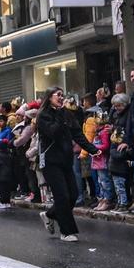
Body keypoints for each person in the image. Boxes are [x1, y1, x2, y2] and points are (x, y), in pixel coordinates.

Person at [34, 87, 99, 242]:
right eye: (58, 95)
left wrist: (93, 150)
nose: (62, 98)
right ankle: (66, 231)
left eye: (63, 95)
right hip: (51, 162)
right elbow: (53, 132)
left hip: (65, 159)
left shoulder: (66, 114)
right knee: (62, 195)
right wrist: (59, 116)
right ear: (49, 97)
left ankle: (50, 214)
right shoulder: (43, 115)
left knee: (73, 194)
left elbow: (78, 134)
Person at [89, 109, 114, 212]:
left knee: (105, 181)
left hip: (102, 160)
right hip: (97, 161)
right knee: (100, 181)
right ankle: (103, 199)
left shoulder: (103, 133)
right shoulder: (98, 133)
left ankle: (108, 199)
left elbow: (106, 145)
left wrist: (94, 147)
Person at [0, 137, 17, 210]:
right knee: (7, 190)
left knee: (1, 190)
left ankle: (2, 202)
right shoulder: (9, 155)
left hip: (0, 176)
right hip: (9, 175)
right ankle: (7, 202)